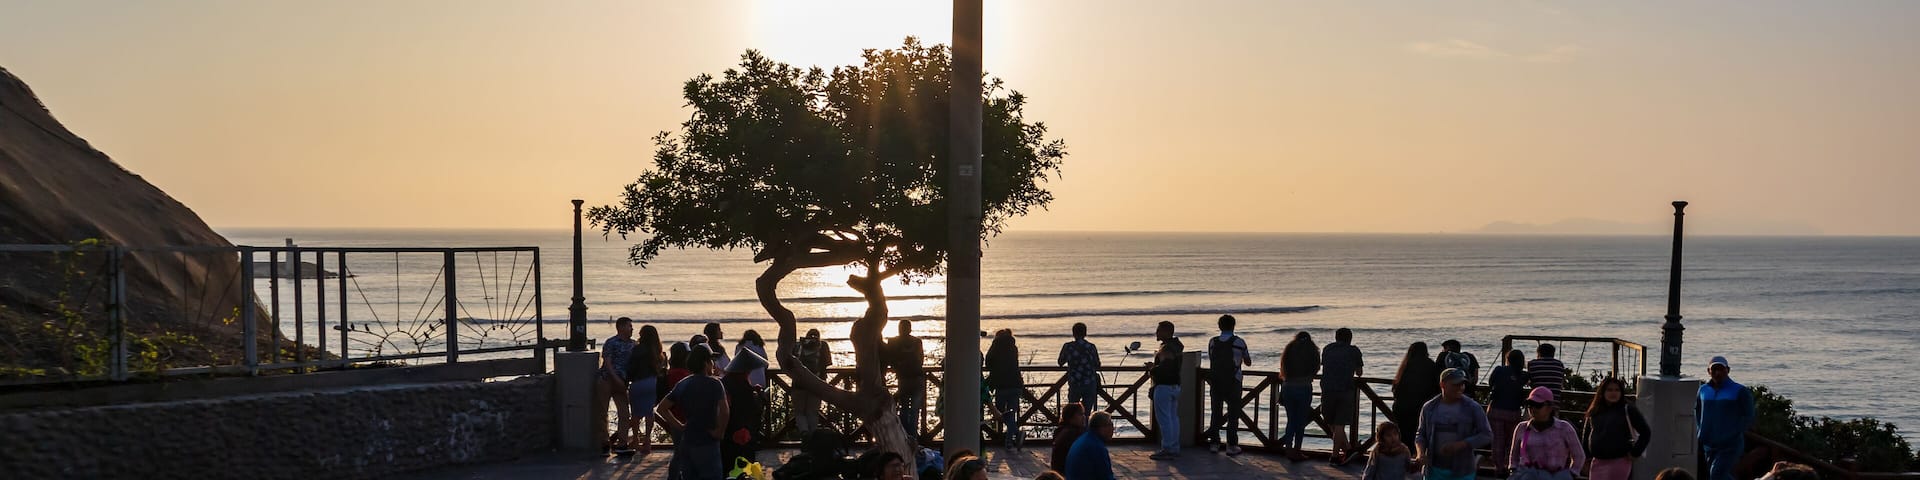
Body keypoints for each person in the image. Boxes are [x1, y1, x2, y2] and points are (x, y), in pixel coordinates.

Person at [658, 344, 730, 480]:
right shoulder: (715, 384)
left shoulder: (683, 384)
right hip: (708, 441)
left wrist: (679, 426)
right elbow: (725, 411)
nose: (713, 364)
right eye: (711, 361)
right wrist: (719, 432)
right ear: (705, 363)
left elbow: (662, 408)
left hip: (688, 440)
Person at [1415, 368, 1493, 480]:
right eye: (1455, 384)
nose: (1460, 388)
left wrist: (1461, 444)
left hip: (1463, 470)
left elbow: (1487, 435)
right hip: (1434, 470)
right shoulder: (1429, 407)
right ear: (1442, 384)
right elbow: (1420, 434)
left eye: (1462, 384)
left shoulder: (1473, 408)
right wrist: (1420, 453)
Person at [1697, 355, 1755, 480]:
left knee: (1717, 474)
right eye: (1714, 369)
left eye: (1721, 369)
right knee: (1716, 476)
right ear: (1709, 371)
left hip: (1730, 445)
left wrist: (1732, 433)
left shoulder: (1740, 391)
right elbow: (1697, 411)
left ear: (1728, 370)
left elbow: (1749, 416)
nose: (1718, 372)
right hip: (1709, 444)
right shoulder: (1703, 390)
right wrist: (1700, 431)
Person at [1508, 386, 1583, 480]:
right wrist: (1513, 470)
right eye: (1530, 404)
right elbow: (1514, 456)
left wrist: (1571, 474)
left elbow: (1579, 455)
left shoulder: (1564, 428)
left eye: (1538, 405)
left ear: (1549, 408)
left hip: (1556, 475)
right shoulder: (1522, 428)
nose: (1533, 409)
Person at [1583, 376, 1650, 480]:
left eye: (1617, 390)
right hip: (1597, 461)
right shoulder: (1595, 410)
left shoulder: (1627, 409)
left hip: (1619, 461)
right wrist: (1586, 457)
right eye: (1609, 390)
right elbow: (1587, 434)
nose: (1613, 393)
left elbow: (1645, 432)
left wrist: (1635, 452)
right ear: (1603, 392)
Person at [1204, 314, 1252, 456]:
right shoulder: (1239, 342)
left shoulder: (1213, 342)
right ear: (1234, 326)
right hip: (1234, 381)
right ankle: (1231, 445)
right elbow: (1248, 362)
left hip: (1216, 380)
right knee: (1233, 413)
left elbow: (1212, 359)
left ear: (1219, 326)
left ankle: (1214, 443)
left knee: (1216, 412)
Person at [1321, 327, 1366, 465]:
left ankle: (1347, 449)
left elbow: (1324, 365)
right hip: (1345, 390)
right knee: (1339, 424)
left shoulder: (1327, 349)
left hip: (1327, 389)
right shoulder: (1354, 351)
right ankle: (1335, 457)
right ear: (1350, 338)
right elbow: (1359, 372)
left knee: (1330, 422)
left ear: (1336, 337)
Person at [722, 348, 768, 469]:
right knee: (742, 464)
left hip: (727, 431)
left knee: (729, 465)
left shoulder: (725, 382)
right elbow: (753, 409)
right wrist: (760, 396)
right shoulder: (743, 387)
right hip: (741, 430)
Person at [1145, 320, 1184, 460]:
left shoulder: (1167, 349)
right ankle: (1174, 447)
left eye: (1159, 330)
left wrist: (1151, 368)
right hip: (1175, 385)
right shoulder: (1176, 347)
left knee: (1164, 419)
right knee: (1173, 418)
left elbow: (1165, 368)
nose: (1156, 332)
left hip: (1164, 386)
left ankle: (1167, 448)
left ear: (1167, 332)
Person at [598, 317, 638, 454]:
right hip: (607, 379)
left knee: (624, 412)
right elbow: (608, 362)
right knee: (602, 411)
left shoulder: (633, 344)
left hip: (622, 382)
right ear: (621, 327)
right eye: (629, 326)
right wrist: (615, 378)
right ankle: (604, 442)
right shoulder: (611, 342)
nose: (632, 329)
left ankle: (622, 442)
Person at [625, 324, 667, 456]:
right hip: (652, 382)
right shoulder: (658, 350)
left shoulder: (637, 349)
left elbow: (631, 368)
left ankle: (636, 440)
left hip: (638, 382)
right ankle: (647, 441)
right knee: (649, 412)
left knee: (636, 413)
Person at [1487, 349, 1530, 475]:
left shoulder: (1499, 370)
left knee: (1497, 441)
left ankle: (1499, 468)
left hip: (1496, 409)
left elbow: (1491, 383)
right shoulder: (1523, 375)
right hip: (1513, 412)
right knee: (1512, 442)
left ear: (1508, 359)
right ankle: (1510, 466)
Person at [1279, 331, 1319, 461]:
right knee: (1300, 421)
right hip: (1304, 386)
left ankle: (1288, 448)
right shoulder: (1312, 350)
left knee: (1291, 419)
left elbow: (1283, 367)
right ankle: (1297, 450)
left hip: (1287, 386)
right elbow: (1316, 368)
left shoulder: (1289, 348)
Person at [1392, 342, 1441, 448]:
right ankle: (1418, 459)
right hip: (1421, 407)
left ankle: (1405, 459)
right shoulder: (1431, 365)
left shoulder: (1405, 366)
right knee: (1420, 436)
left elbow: (1396, 389)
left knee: (1404, 436)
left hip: (1402, 407)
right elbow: (1437, 388)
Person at [984, 328, 1024, 450]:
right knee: (1011, 414)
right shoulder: (1013, 347)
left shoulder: (995, 347)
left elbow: (988, 363)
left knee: (1001, 413)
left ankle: (1013, 437)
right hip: (1016, 384)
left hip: (1001, 385)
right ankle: (1011, 440)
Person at [887, 319, 927, 439]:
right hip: (917, 377)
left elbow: (891, 360)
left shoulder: (893, 342)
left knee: (904, 409)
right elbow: (921, 359)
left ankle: (905, 436)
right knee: (914, 411)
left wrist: (899, 366)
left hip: (904, 379)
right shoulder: (917, 341)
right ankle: (912, 437)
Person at [1057, 322, 1102, 415]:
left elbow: (1060, 362)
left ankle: (1074, 428)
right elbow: (1097, 364)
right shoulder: (1091, 347)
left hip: (1074, 382)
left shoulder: (1068, 346)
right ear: (1085, 333)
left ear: (1073, 333)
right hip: (1089, 382)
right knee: (1087, 413)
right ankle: (1085, 428)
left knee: (1073, 413)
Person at [795, 328, 833, 434]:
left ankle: (804, 432)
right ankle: (812, 437)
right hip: (816, 384)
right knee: (812, 412)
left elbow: (792, 362)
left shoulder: (798, 345)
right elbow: (827, 364)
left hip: (799, 384)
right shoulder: (823, 345)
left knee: (799, 413)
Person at [1064, 412, 1118, 480]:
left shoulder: (1085, 438)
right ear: (1102, 427)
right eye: (1111, 425)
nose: (1113, 429)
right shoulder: (1097, 447)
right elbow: (1106, 477)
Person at [1050, 403, 1087, 474]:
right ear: (1070, 417)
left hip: (1058, 472)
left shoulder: (1060, 430)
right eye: (1080, 414)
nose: (1084, 417)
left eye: (1083, 414)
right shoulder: (1073, 434)